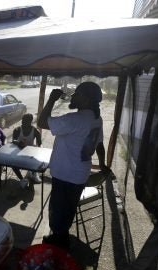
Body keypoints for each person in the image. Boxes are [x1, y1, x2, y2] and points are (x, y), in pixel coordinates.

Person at [37, 81, 108, 250]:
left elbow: (41, 122)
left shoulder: (74, 119)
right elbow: (99, 144)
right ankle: (62, 238)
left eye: (77, 93)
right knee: (67, 209)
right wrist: (103, 165)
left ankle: (58, 244)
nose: (74, 95)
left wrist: (52, 100)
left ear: (87, 98)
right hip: (79, 174)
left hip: (65, 176)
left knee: (58, 212)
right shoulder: (97, 119)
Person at [12, 113, 42, 188]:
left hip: (30, 153)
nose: (22, 122)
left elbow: (40, 143)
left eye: (25, 120)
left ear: (30, 121)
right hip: (18, 152)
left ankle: (33, 173)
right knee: (12, 163)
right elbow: (13, 141)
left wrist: (39, 149)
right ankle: (22, 179)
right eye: (22, 120)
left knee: (35, 161)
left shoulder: (35, 131)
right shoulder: (17, 129)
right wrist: (18, 142)